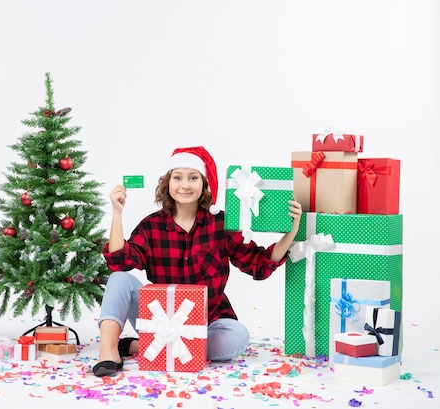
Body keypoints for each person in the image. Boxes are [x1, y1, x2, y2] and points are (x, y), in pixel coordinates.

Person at [92, 146, 302, 377]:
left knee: (236, 337)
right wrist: (117, 213)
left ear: (203, 184)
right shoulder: (151, 226)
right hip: (160, 320)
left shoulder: (221, 223)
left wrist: (290, 232)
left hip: (208, 322)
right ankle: (109, 351)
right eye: (177, 177)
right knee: (119, 278)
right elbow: (119, 262)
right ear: (167, 183)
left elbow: (258, 264)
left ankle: (139, 346)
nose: (185, 185)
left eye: (193, 178)